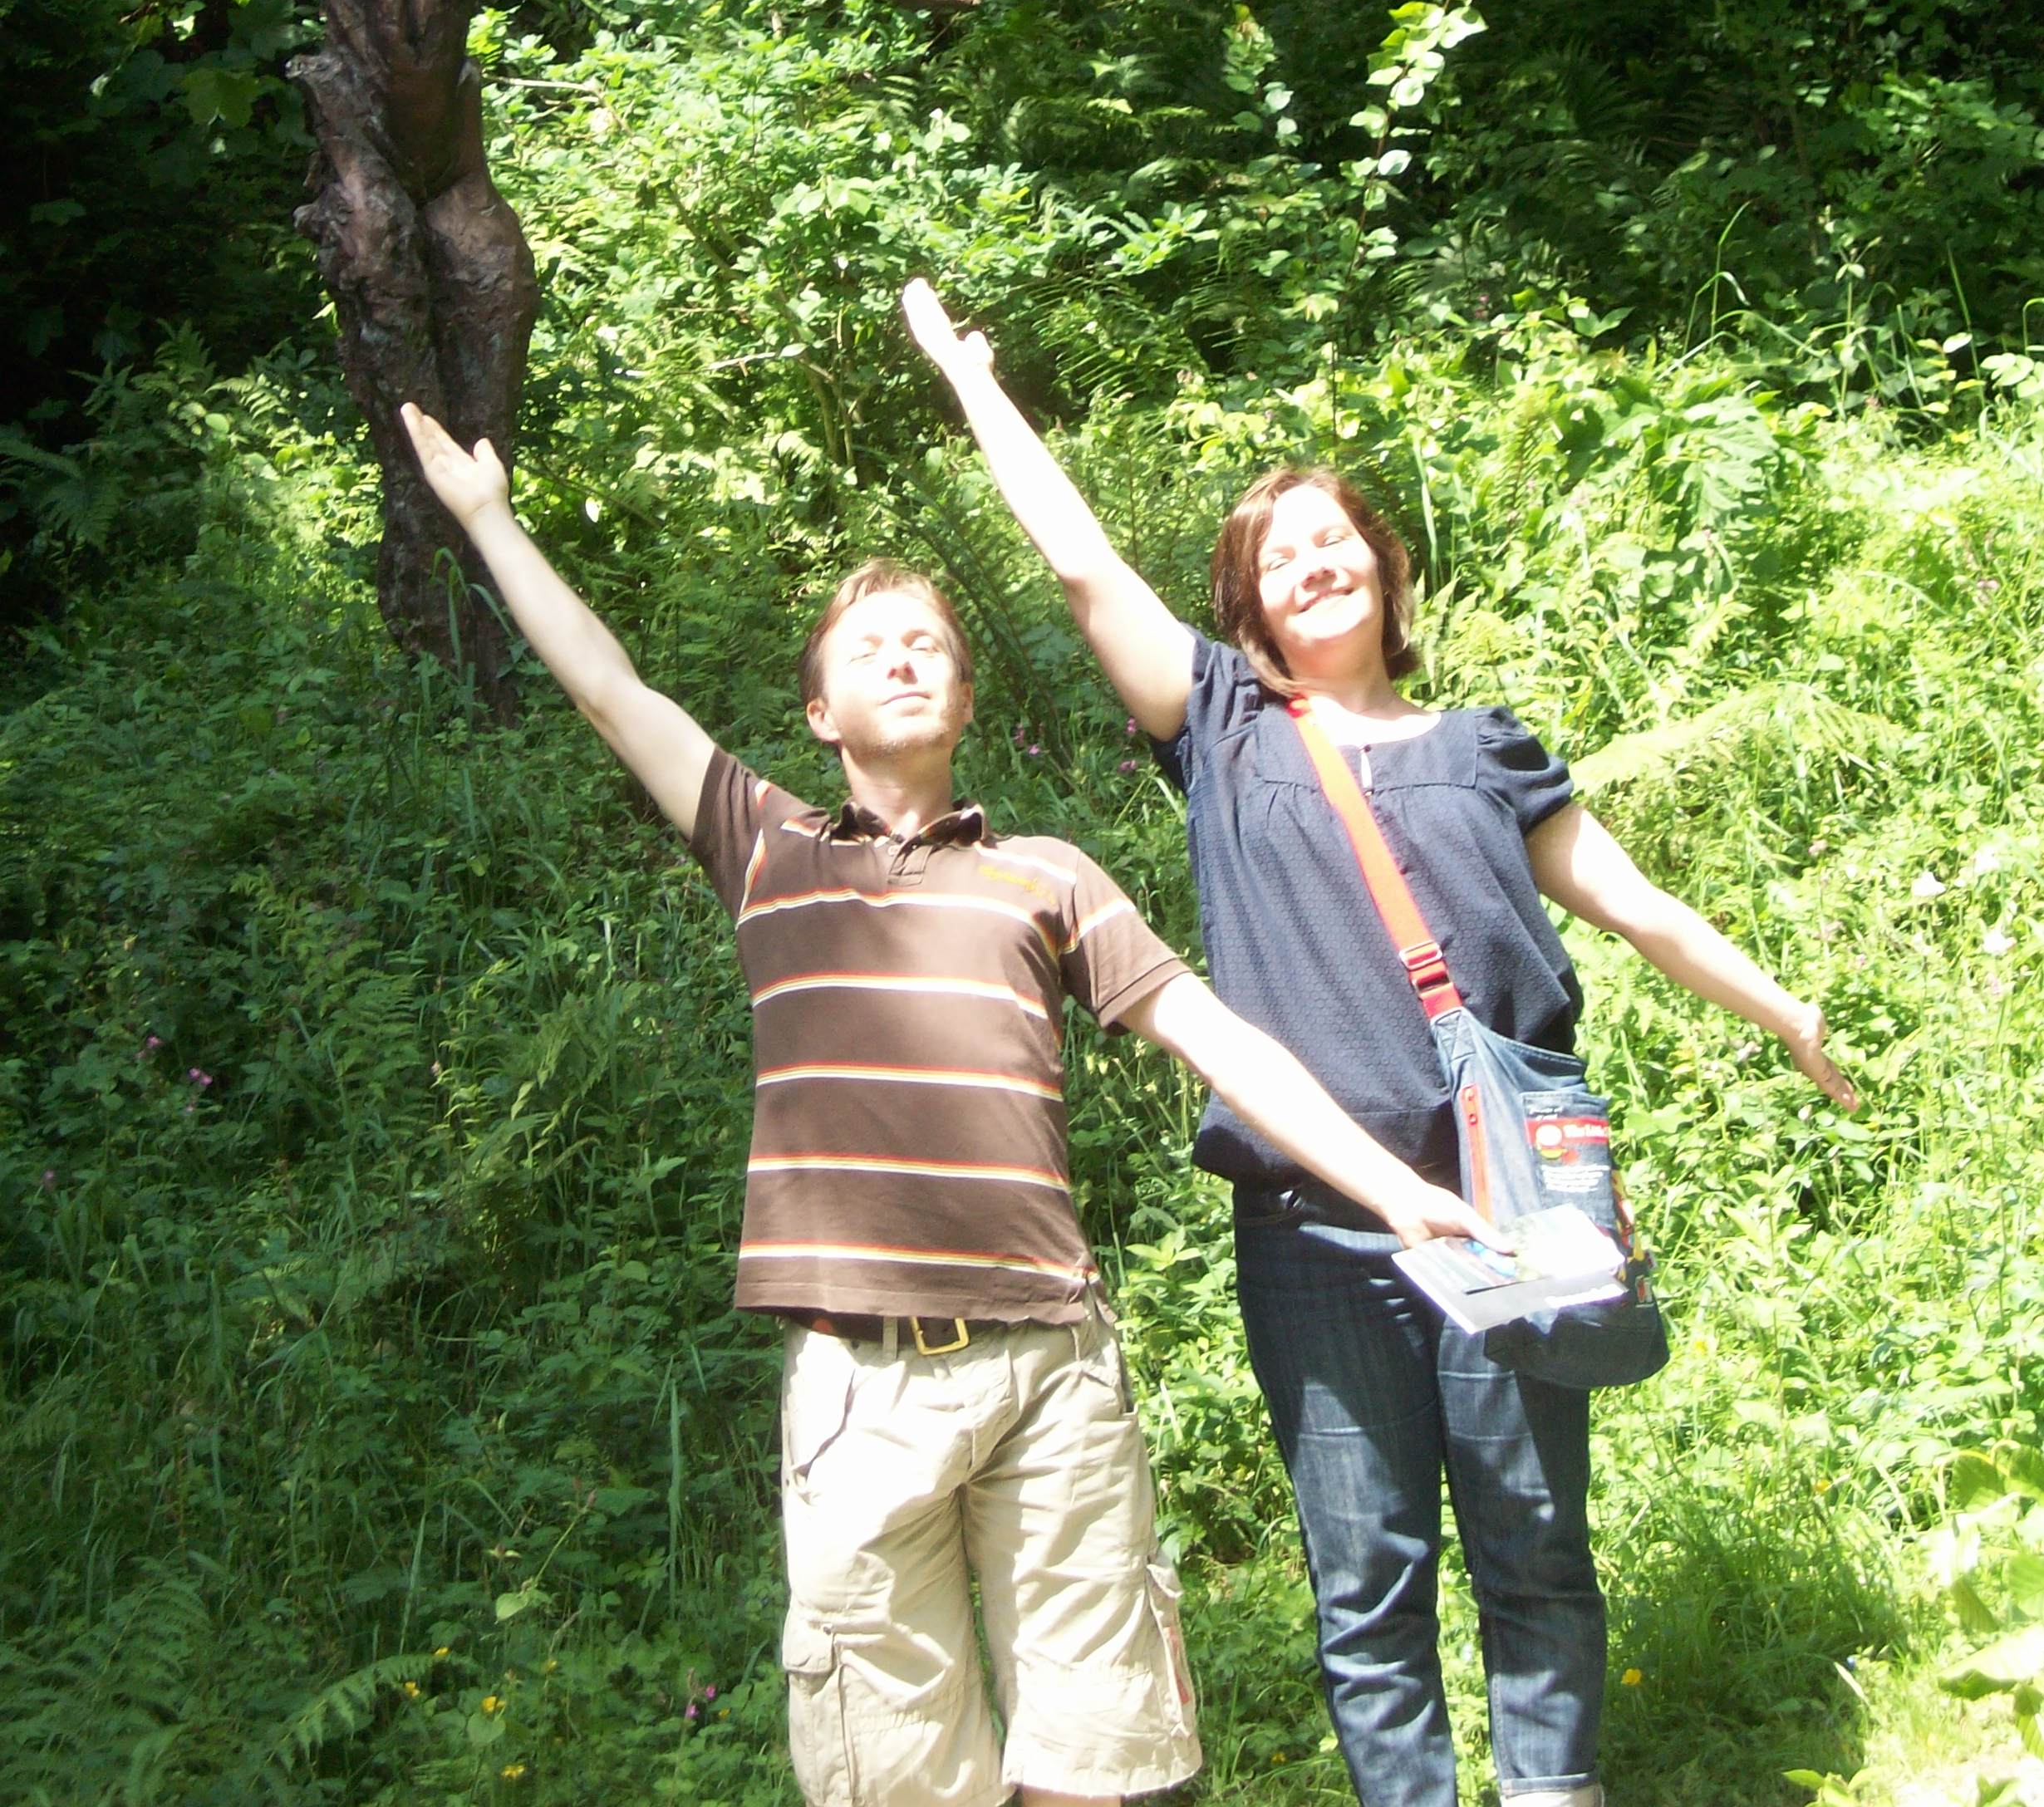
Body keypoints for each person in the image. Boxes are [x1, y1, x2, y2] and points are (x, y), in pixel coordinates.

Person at [401, 400, 1495, 1807]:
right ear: (819, 713)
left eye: (929, 645)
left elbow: (1222, 1041)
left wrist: (1395, 1187)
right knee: (898, 1776)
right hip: (861, 1389)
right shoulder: (768, 850)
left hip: (1054, 1373)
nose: (907, 659)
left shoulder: (1049, 876)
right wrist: (489, 520)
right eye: (871, 649)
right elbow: (614, 691)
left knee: (1095, 1765)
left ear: (967, 702)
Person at [900, 279, 1858, 1807]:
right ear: (1250, 609)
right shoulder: (1223, 728)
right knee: (1368, 1581)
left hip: (1512, 1201)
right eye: (1279, 556)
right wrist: (973, 382)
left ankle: (1553, 1791)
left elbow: (1642, 909)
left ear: (1384, 569)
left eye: (1335, 538)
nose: (1315, 562)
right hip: (1315, 1227)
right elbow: (1083, 568)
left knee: (1535, 1545)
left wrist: (1786, 1011)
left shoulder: (1485, 749)